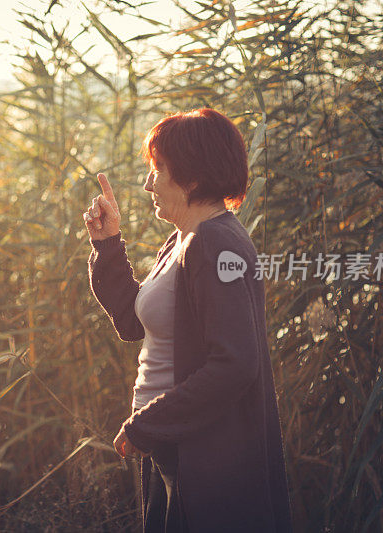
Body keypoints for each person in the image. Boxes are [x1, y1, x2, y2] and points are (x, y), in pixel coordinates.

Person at [84, 108, 293, 532]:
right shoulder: (184, 238)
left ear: (193, 177)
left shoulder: (216, 245)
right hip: (174, 449)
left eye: (157, 170)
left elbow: (234, 364)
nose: (147, 183)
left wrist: (148, 424)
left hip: (204, 457)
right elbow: (132, 321)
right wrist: (108, 246)